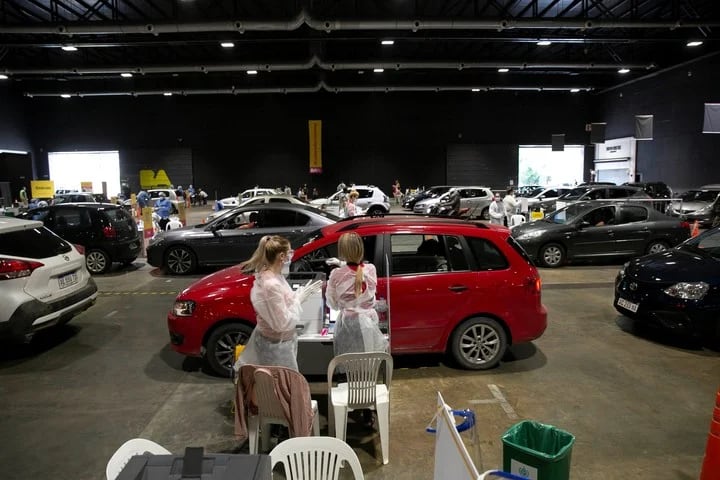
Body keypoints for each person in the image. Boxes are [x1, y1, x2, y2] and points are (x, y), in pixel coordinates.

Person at [233, 235, 322, 371]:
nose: (290, 257)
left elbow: (280, 306)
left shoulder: (274, 276)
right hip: (276, 346)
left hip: (278, 342)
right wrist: (299, 300)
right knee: (279, 387)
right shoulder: (271, 284)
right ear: (281, 256)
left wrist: (297, 296)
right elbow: (282, 323)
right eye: (289, 253)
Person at [325, 232, 388, 357]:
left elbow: (333, 304)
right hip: (369, 325)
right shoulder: (371, 269)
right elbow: (358, 271)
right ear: (361, 249)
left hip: (347, 325)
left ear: (342, 251)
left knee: (350, 365)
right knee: (368, 363)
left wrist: (341, 265)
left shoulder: (336, 274)